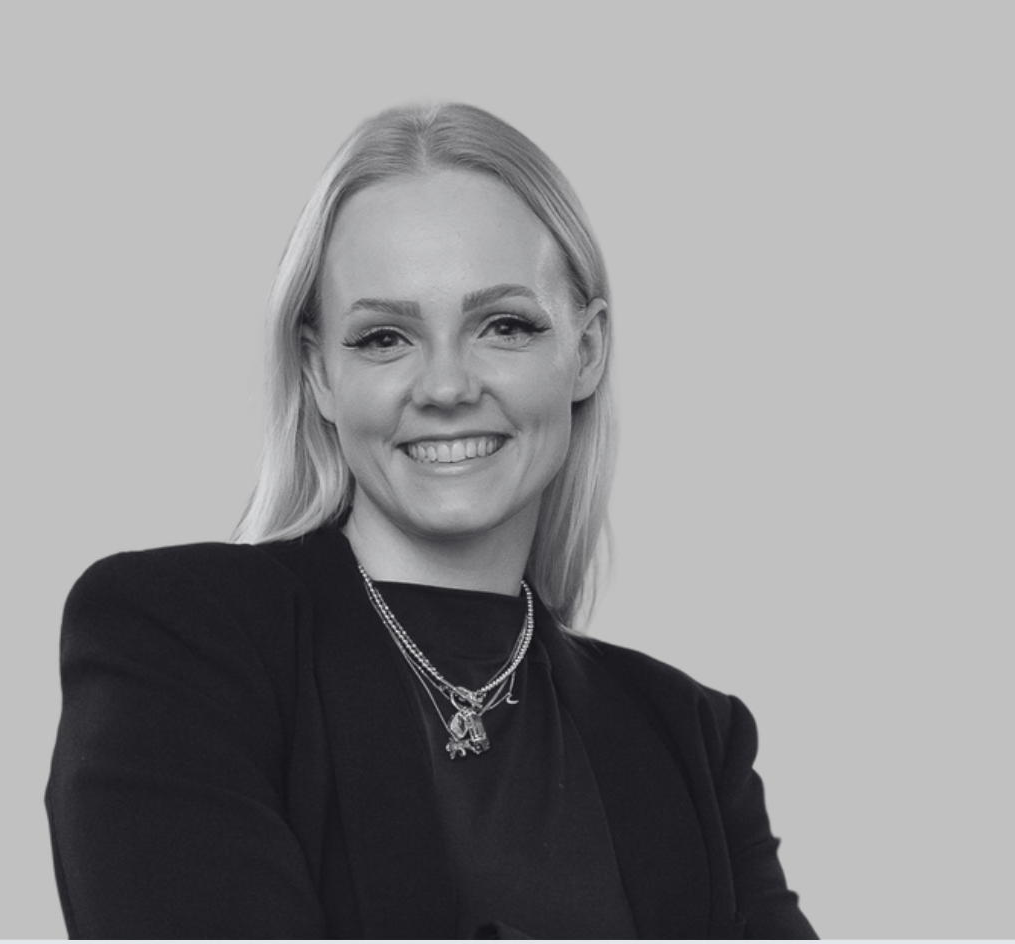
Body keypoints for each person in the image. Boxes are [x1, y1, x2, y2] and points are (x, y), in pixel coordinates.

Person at [45, 102, 817, 939]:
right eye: (384, 337)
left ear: (586, 352)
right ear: (319, 375)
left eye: (505, 326)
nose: (446, 386)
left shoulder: (692, 740)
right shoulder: (177, 639)